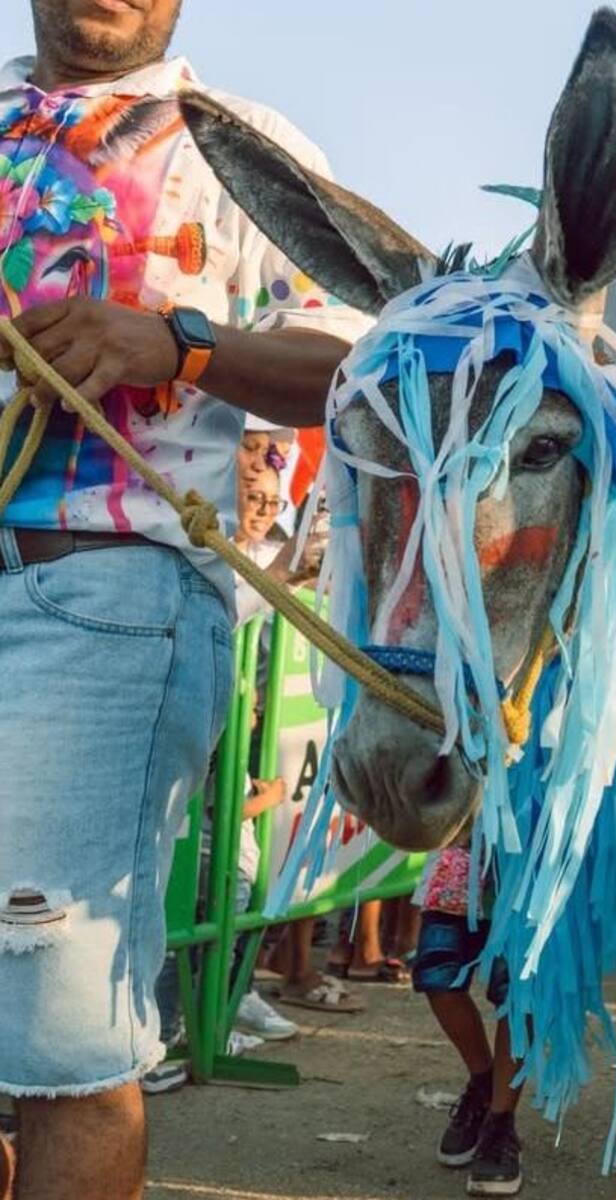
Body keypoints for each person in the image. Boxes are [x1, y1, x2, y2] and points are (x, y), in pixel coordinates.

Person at [0, 4, 369, 1198]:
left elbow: (354, 370)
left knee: (60, 1042)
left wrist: (179, 342)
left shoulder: (242, 146)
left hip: (104, 600)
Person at [413, 843, 524, 1197]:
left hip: (534, 854)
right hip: (460, 850)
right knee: (437, 975)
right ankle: (483, 1082)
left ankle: (500, 1123)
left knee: (518, 992)